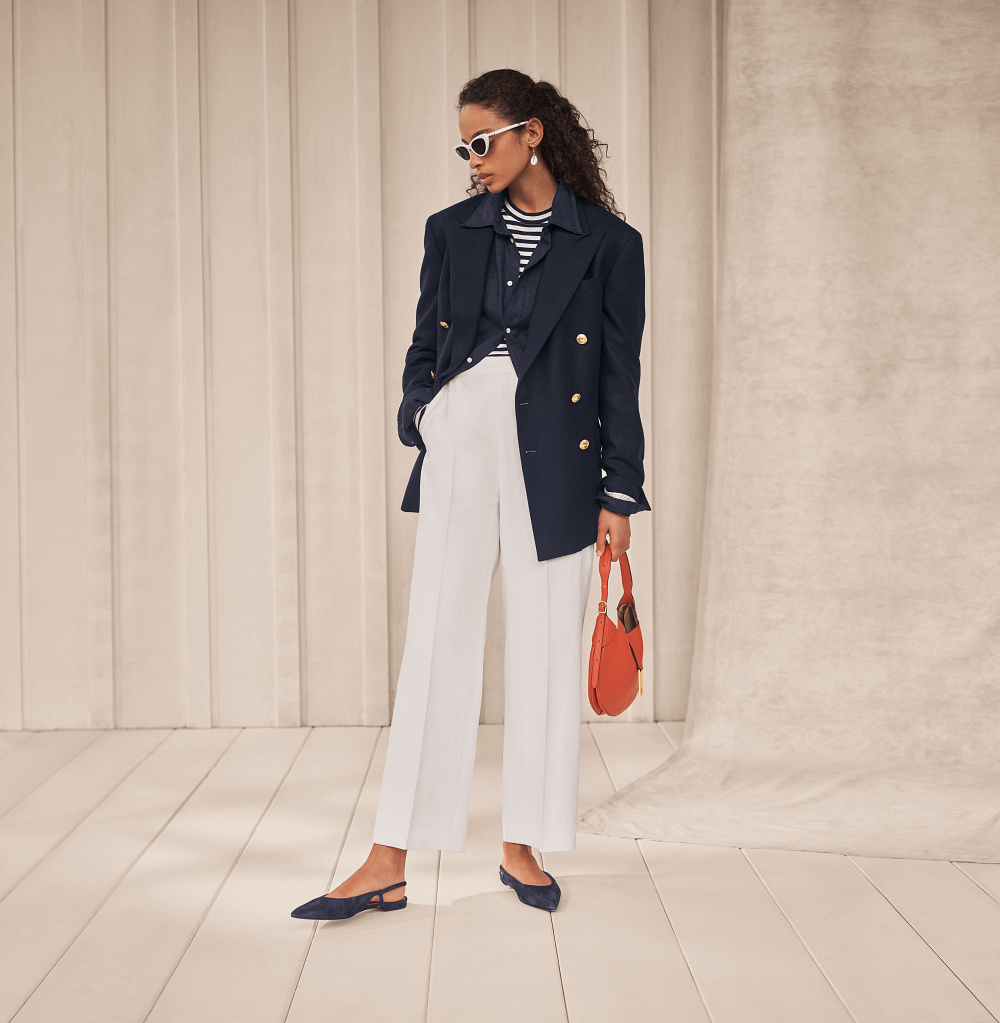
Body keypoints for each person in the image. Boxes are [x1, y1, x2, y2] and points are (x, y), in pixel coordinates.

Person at [291, 68, 649, 922]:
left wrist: (621, 491)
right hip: (462, 439)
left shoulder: (608, 242)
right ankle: (388, 856)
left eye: (482, 141)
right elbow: (424, 342)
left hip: (562, 453)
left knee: (545, 642)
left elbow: (619, 373)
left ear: (532, 133)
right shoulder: (449, 231)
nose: (473, 159)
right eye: (465, 147)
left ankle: (523, 842)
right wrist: (425, 414)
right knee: (436, 637)